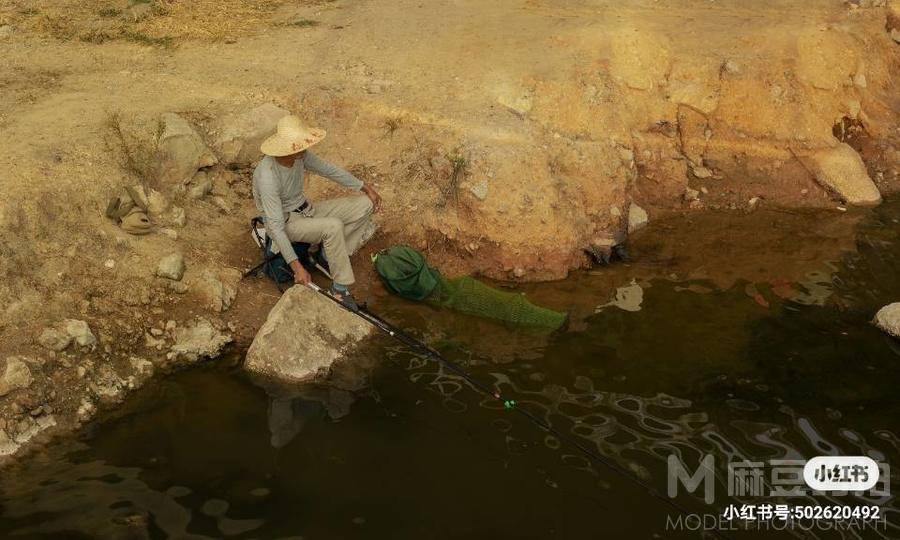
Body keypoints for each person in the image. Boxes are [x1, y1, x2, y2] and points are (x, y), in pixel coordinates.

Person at [253, 115, 381, 310]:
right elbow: (276, 228)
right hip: (286, 223)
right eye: (299, 144)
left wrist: (364, 187)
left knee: (365, 205)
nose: (304, 148)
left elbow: (328, 170)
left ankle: (329, 258)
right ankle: (339, 288)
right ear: (288, 148)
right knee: (333, 226)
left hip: (307, 210)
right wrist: (298, 269)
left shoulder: (299, 156)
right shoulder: (268, 176)